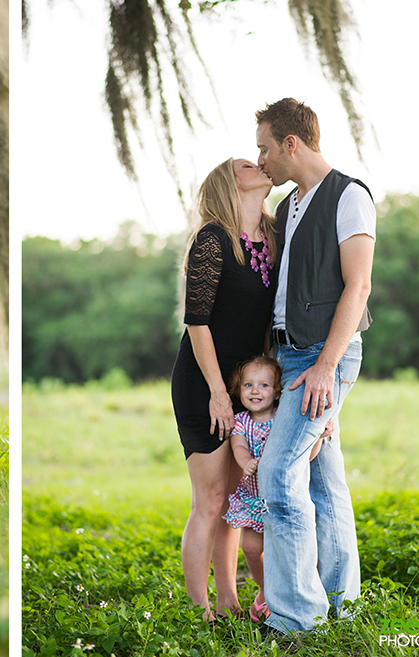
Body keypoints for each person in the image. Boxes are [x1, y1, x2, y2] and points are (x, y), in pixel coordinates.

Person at [254, 97, 375, 634]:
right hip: (289, 355)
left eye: (265, 148)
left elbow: (359, 284)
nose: (261, 161)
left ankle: (298, 617)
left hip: (323, 356)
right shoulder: (289, 206)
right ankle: (341, 603)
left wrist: (326, 366)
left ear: (292, 143)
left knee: (279, 473)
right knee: (324, 480)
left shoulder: (350, 196)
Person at [170, 157, 277, 621]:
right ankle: (200, 610)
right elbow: (197, 322)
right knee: (210, 499)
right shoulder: (213, 239)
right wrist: (218, 390)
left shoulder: (272, 237)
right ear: (229, 184)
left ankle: (229, 599)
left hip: (248, 386)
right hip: (205, 382)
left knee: (235, 502)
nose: (260, 164)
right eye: (247, 163)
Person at [222, 355, 333, 623]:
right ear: (239, 389)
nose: (255, 391)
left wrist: (317, 436)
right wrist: (246, 462)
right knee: (250, 547)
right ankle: (265, 590)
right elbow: (238, 446)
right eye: (248, 385)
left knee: (282, 548)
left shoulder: (285, 420)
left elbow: (305, 456)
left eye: (263, 385)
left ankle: (280, 597)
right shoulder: (241, 421)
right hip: (254, 499)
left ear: (277, 390)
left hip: (281, 497)